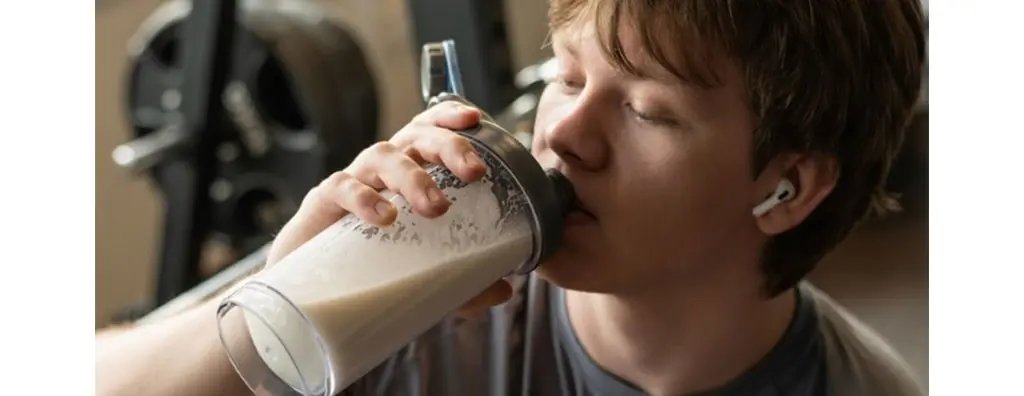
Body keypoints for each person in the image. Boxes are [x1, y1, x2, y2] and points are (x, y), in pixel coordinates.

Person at [96, 0, 926, 395]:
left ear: (787, 188)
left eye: (645, 111)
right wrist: (269, 305)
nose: (563, 135)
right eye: (568, 77)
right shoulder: (425, 285)